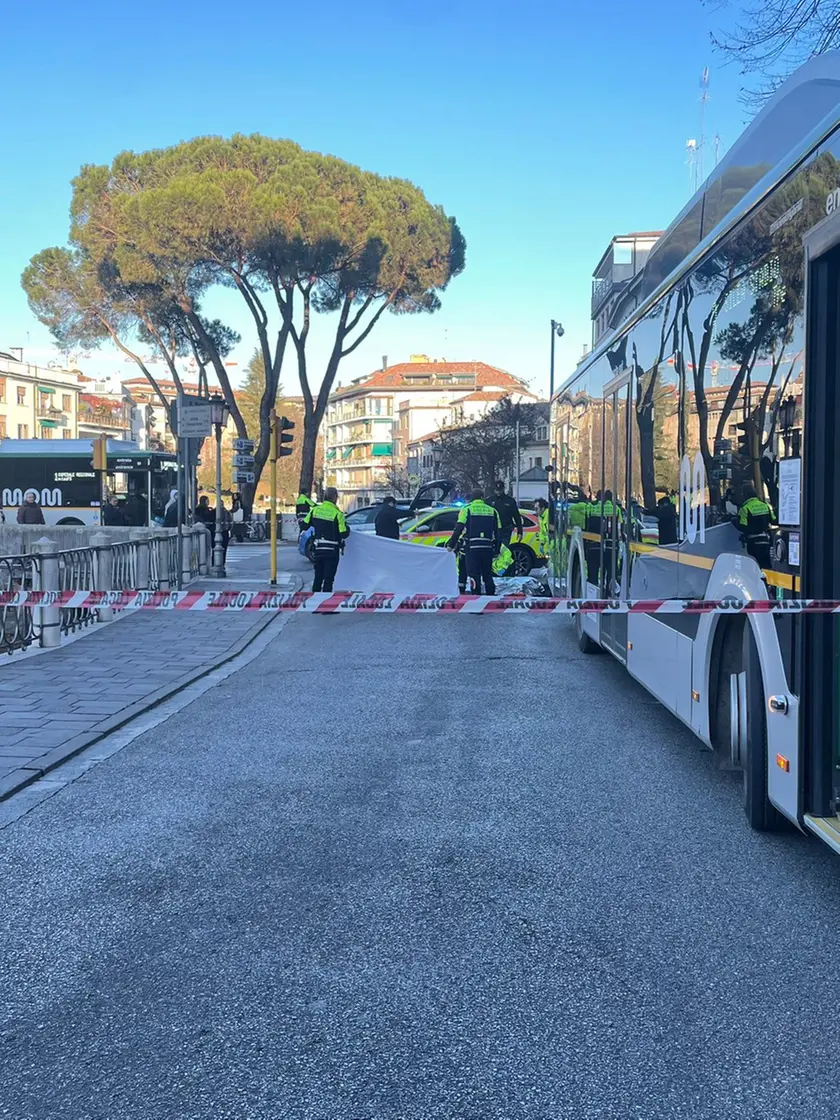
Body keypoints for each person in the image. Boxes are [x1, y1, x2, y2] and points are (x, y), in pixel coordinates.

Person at [447, 488, 502, 595]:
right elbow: (498, 533)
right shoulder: (493, 511)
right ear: (482, 498)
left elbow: (459, 528)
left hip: (472, 548)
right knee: (487, 574)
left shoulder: (467, 509)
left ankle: (476, 597)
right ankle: (491, 597)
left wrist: (451, 544)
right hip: (487, 547)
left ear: (472, 498)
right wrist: (497, 549)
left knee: (474, 574)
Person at [304, 487, 349, 592]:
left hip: (318, 549)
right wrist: (348, 529)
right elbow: (344, 533)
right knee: (328, 580)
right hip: (331, 551)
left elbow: (304, 525)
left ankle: (314, 603)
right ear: (335, 498)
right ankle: (325, 605)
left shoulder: (315, 510)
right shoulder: (338, 513)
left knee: (318, 577)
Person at [736, 483, 775, 569]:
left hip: (753, 542)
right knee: (766, 565)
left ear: (744, 495)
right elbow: (773, 520)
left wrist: (734, 521)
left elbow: (743, 527)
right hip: (766, 540)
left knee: (754, 567)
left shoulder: (745, 508)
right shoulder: (765, 505)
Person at [488, 480, 523, 546]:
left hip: (506, 530)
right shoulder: (489, 500)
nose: (498, 492)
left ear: (503, 489)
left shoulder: (510, 501)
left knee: (503, 550)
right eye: (497, 490)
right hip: (492, 530)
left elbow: (517, 517)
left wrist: (520, 531)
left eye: (500, 490)